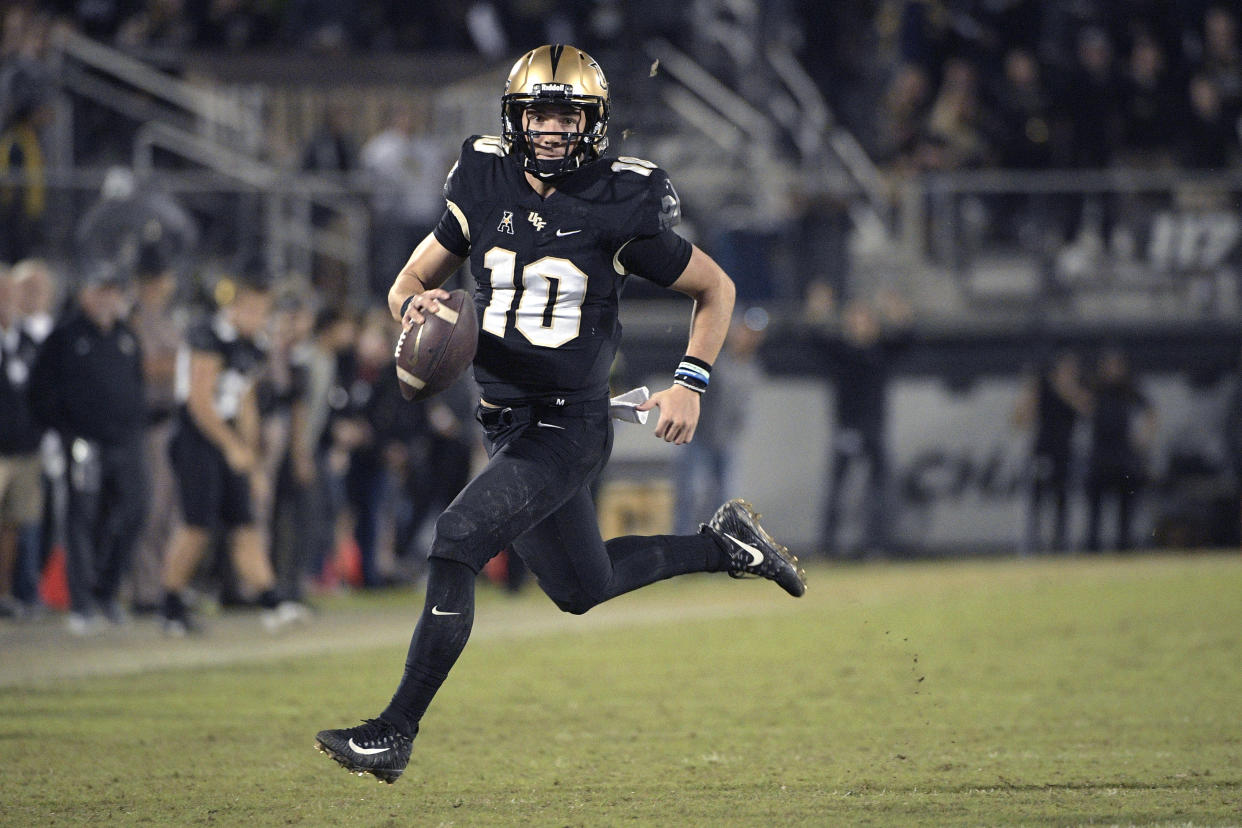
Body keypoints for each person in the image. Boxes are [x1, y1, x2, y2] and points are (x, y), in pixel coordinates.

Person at [315, 44, 806, 784]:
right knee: (583, 586)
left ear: (594, 123)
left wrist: (690, 381)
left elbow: (717, 289)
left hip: (568, 427)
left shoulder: (621, 202)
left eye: (565, 115)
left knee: (455, 540)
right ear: (515, 119)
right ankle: (724, 545)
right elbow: (410, 280)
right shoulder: (480, 178)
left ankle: (393, 732)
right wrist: (411, 306)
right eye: (537, 114)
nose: (549, 129)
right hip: (506, 420)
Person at [158, 270, 308, 634]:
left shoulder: (253, 344)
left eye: (263, 310)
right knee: (196, 526)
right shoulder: (206, 335)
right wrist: (231, 446)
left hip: (226, 439)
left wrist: (249, 455)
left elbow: (244, 403)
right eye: (252, 309)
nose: (258, 317)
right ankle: (170, 605)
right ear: (234, 305)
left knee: (244, 523)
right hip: (196, 437)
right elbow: (198, 402)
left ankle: (271, 599)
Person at [27, 262, 148, 633]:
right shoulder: (64, 337)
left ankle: (106, 592)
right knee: (81, 517)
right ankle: (82, 604)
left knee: (133, 512)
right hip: (82, 442)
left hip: (124, 443)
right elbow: (40, 391)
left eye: (113, 291)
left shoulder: (127, 337)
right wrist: (62, 431)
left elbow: (136, 388)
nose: (108, 299)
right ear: (84, 294)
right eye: (101, 291)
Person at [813, 288, 914, 559]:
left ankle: (876, 545)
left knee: (879, 492)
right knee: (837, 491)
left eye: (864, 319)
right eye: (854, 319)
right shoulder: (842, 351)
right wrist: (819, 314)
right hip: (846, 429)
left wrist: (898, 312)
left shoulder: (881, 350)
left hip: (874, 429)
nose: (858, 324)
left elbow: (907, 338)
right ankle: (827, 547)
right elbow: (814, 340)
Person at [672, 308, 767, 534]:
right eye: (745, 331)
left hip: (726, 441)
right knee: (690, 494)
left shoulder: (753, 369)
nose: (748, 337)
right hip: (697, 436)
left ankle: (718, 547)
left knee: (724, 499)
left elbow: (742, 410)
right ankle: (682, 545)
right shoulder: (715, 361)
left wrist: (733, 434)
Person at [0, 262, 44, 619]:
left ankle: (6, 595)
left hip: (25, 449)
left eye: (7, 291)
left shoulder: (26, 341)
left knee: (14, 527)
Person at [1084, 347, 1156, 553]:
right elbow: (1080, 402)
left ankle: (1124, 552)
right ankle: (1092, 553)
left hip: (1124, 459)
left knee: (1125, 514)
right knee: (1095, 515)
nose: (1113, 370)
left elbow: (1151, 411)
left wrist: (1144, 437)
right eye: (1109, 365)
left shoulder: (1129, 390)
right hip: (1099, 458)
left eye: (1117, 365)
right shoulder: (1095, 388)